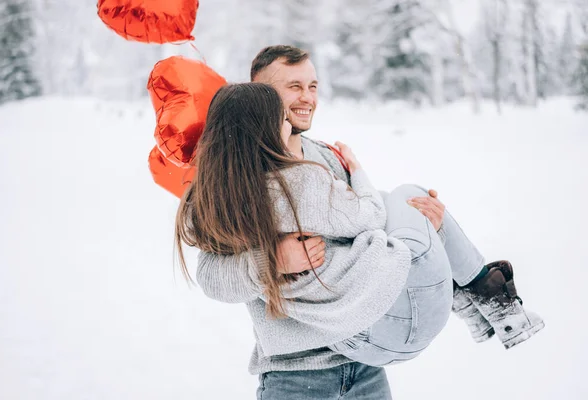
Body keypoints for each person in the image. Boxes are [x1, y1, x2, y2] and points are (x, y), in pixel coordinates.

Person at [175, 81, 544, 400]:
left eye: (312, 86)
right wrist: (273, 260)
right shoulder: (288, 179)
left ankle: (472, 296)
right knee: (406, 194)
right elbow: (211, 276)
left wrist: (420, 222)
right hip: (298, 372)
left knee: (408, 201)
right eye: (291, 90)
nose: (302, 102)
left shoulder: (226, 192)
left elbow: (365, 223)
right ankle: (481, 293)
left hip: (362, 365)